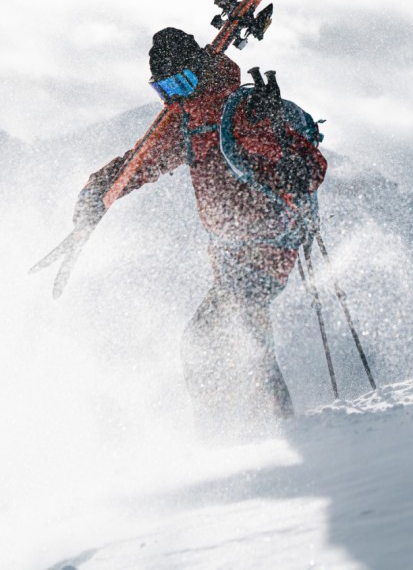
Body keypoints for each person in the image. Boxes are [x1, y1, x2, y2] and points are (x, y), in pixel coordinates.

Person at [73, 27, 327, 432]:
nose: (176, 95)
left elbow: (306, 160)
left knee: (223, 337)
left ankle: (259, 433)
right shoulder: (185, 123)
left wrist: (296, 167)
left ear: (200, 72)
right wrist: (96, 193)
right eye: (165, 88)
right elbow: (140, 163)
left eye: (183, 83)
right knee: (223, 339)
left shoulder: (240, 109)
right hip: (229, 255)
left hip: (266, 245)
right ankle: (244, 430)